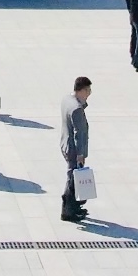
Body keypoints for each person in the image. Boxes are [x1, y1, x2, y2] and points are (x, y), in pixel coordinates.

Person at [60, 76, 92, 222]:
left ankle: (75, 207)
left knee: (73, 177)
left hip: (65, 143)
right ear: (82, 90)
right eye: (88, 90)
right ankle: (68, 211)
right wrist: (81, 154)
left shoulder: (67, 99)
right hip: (74, 149)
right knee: (72, 179)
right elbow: (79, 133)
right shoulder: (77, 109)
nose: (89, 93)